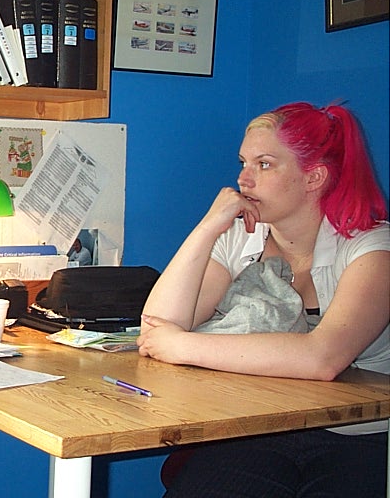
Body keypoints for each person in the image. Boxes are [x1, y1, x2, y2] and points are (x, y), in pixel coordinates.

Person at [137, 102, 389, 497]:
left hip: (361, 437)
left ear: (314, 177)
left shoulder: (374, 248)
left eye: (264, 164)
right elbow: (156, 325)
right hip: (259, 426)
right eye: (243, 162)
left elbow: (323, 359)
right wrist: (208, 228)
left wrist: (183, 345)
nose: (243, 179)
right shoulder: (243, 234)